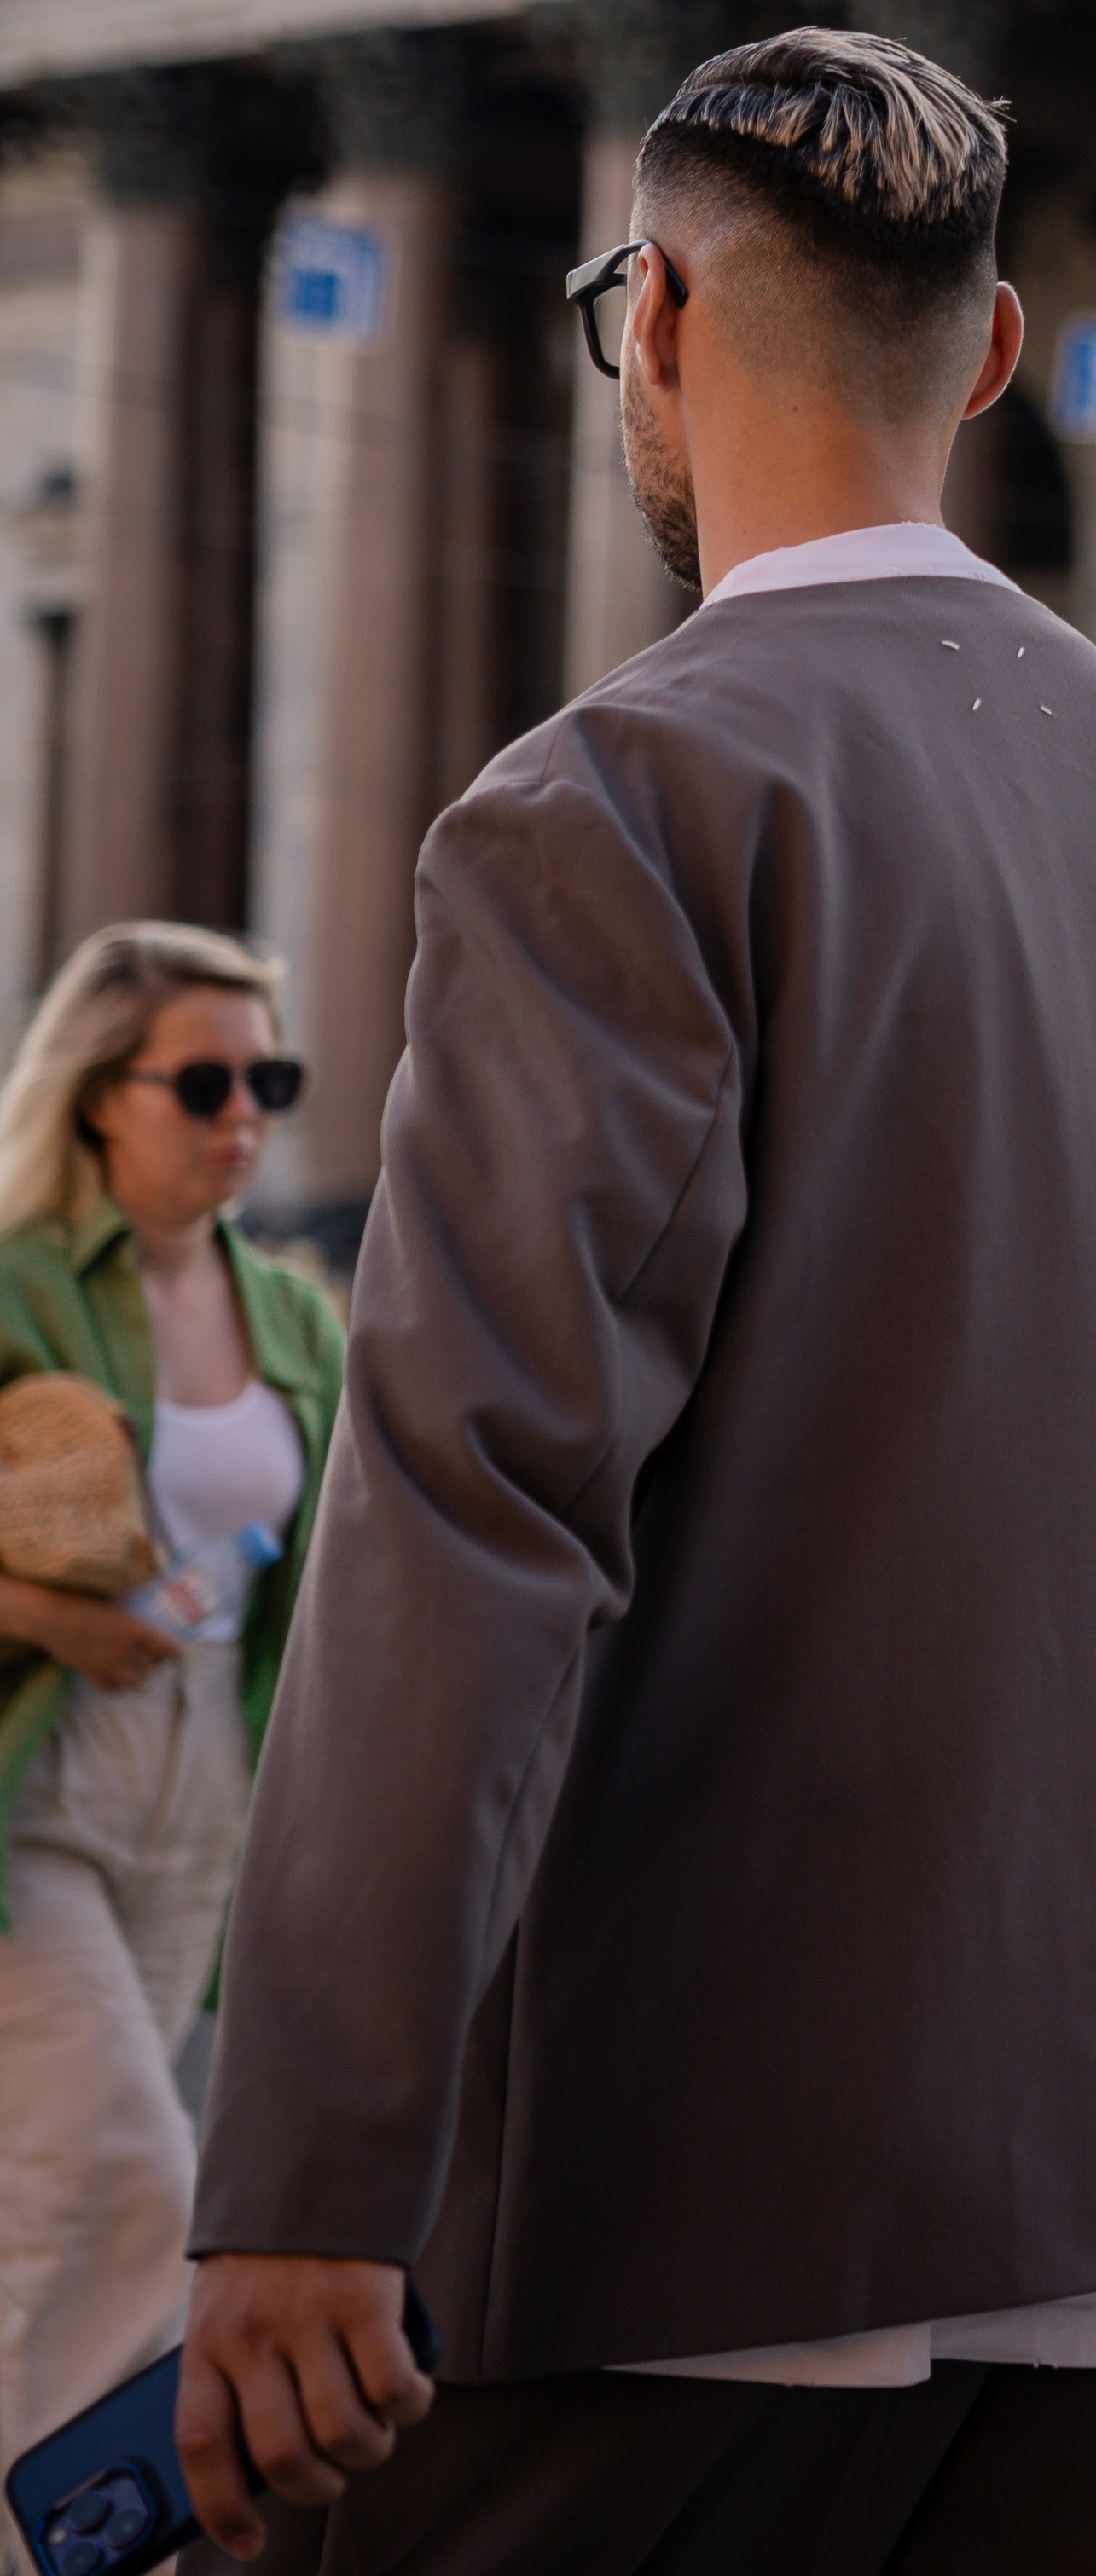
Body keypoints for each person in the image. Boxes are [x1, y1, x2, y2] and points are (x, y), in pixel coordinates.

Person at [177, 31, 1096, 2575]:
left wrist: (311, 2161)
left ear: (664, 325)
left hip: (720, 2174)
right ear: (1006, 351)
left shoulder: (609, 798)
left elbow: (477, 1509)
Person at [0, 924, 341, 2550]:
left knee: (44, 2206)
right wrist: (57, 1616)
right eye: (202, 1080)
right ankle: (51, 2528)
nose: (242, 1115)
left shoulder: (296, 1315)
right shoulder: (13, 1284)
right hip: (39, 1789)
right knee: (134, 2174)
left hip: (208, 1796)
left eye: (267, 1079)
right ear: (95, 1095)